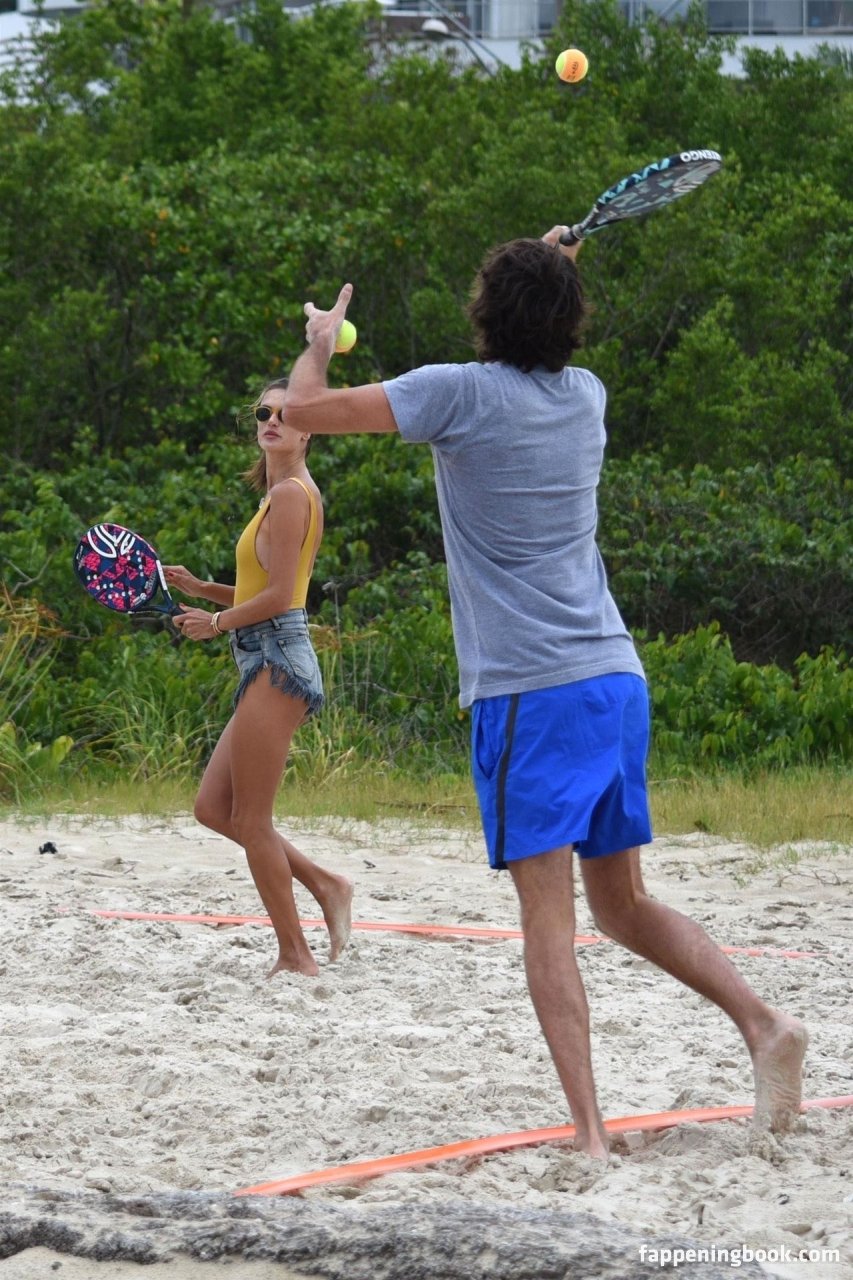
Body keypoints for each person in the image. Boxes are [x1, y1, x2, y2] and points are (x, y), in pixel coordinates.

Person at [280, 230, 808, 1154]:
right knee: (622, 905)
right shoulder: (586, 397)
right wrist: (551, 269)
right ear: (569, 318)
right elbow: (536, 327)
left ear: (484, 314)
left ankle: (591, 1134)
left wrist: (320, 342)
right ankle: (764, 1024)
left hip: (530, 691)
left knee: (549, 922)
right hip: (612, 677)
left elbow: (300, 413)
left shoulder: (454, 392)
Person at [163, 377, 353, 978]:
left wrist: (215, 622)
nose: (272, 420)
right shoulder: (277, 495)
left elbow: (280, 598)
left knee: (251, 819)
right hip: (264, 656)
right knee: (213, 807)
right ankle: (325, 884)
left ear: (308, 429)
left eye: (286, 413)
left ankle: (296, 955)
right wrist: (202, 589)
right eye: (263, 412)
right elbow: (265, 588)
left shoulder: (293, 495)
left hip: (278, 659)